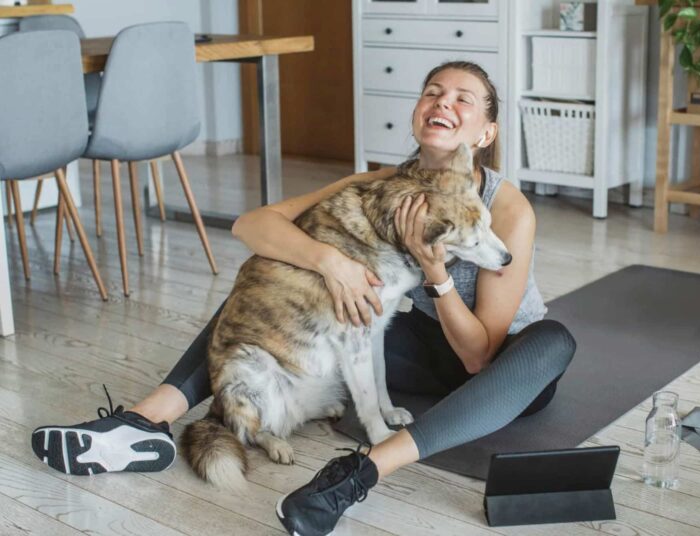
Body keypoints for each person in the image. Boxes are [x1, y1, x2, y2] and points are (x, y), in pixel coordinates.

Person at [32, 61, 576, 535]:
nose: (443, 103)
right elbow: (255, 224)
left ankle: (355, 476)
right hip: (423, 347)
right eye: (433, 91)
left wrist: (434, 271)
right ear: (416, 113)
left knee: (555, 342)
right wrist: (330, 263)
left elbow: (479, 355)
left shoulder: (507, 209)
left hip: (501, 361)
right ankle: (146, 421)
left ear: (485, 132)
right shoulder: (383, 182)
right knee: (271, 278)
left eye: (464, 99)